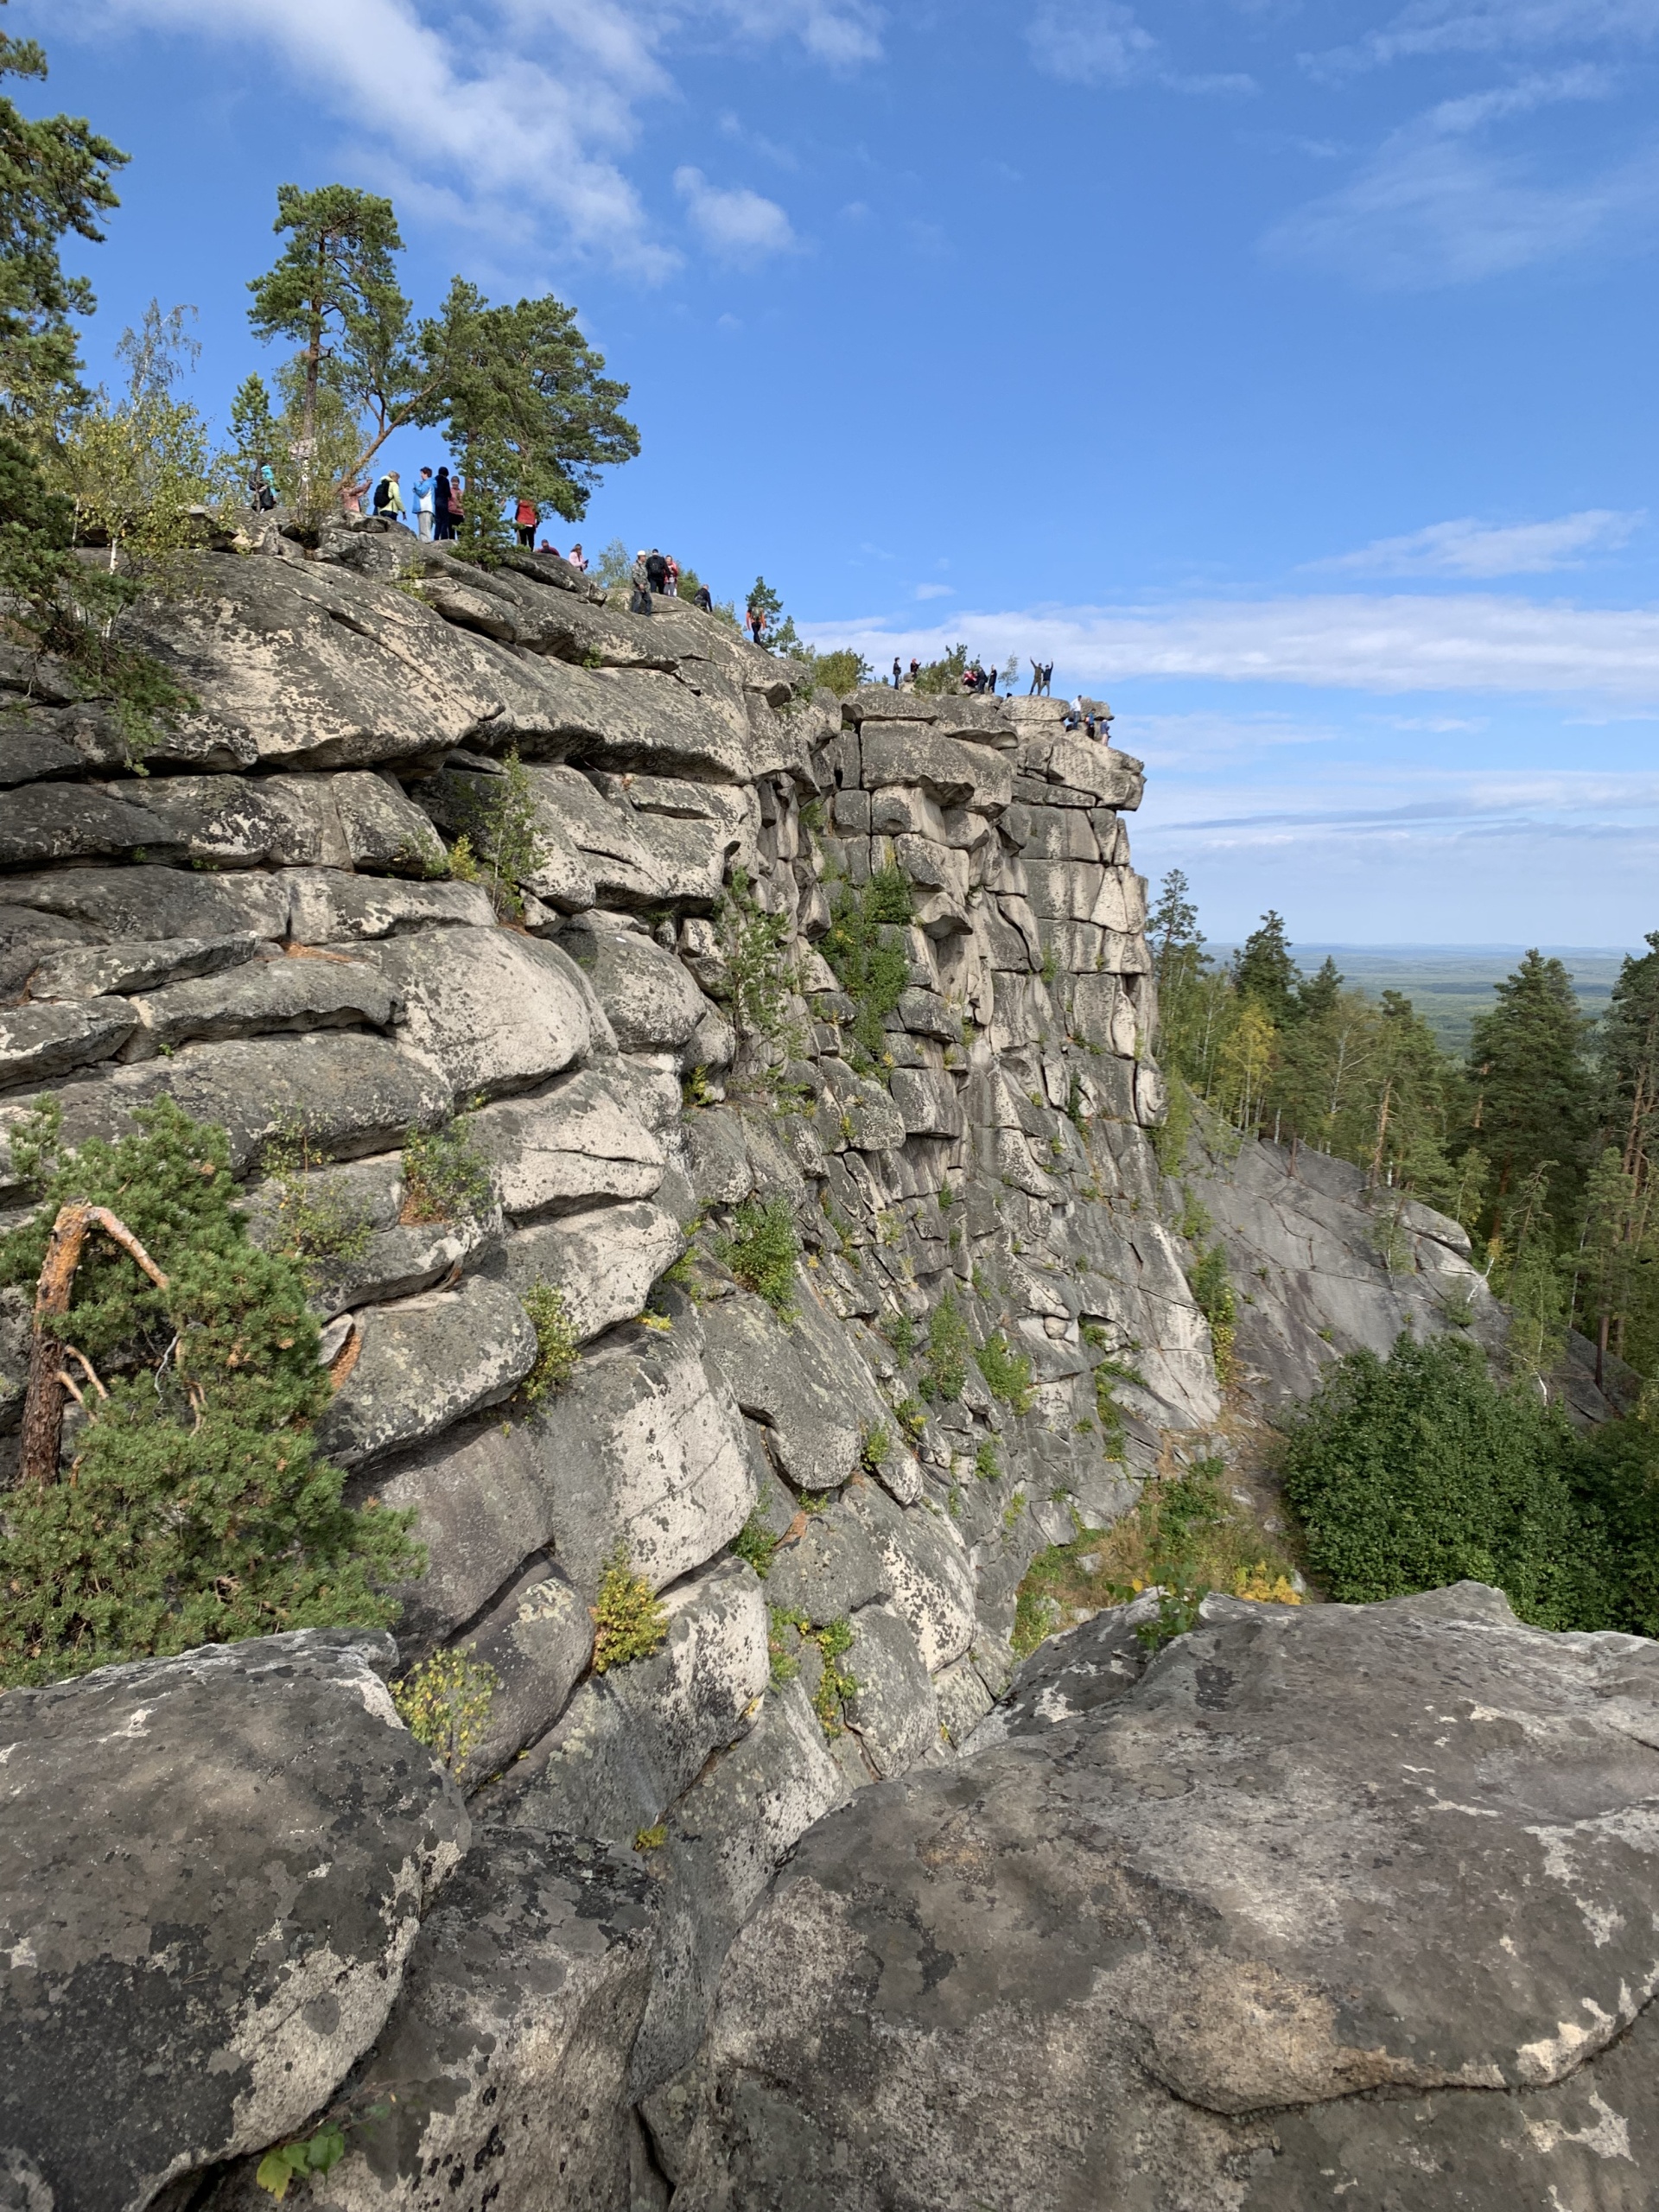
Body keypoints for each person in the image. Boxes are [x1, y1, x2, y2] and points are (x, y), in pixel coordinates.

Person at [433, 467, 456, 541]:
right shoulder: (445, 480)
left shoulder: (435, 480)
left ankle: (436, 537)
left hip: (436, 501)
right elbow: (447, 492)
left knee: (438, 520)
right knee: (445, 520)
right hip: (443, 501)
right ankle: (444, 537)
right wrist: (450, 496)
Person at [412, 467, 435, 538]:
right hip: (428, 509)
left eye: (422, 473)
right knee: (427, 529)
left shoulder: (427, 483)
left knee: (424, 531)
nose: (421, 475)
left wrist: (416, 485)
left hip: (424, 508)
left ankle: (425, 544)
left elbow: (421, 492)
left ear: (426, 474)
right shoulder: (431, 483)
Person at [631, 550, 653, 615]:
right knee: (638, 601)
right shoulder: (635, 565)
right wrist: (639, 584)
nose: (645, 557)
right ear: (640, 557)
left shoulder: (643, 566)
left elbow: (645, 577)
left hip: (645, 588)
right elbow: (635, 576)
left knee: (649, 601)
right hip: (638, 588)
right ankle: (634, 615)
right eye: (644, 556)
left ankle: (647, 615)